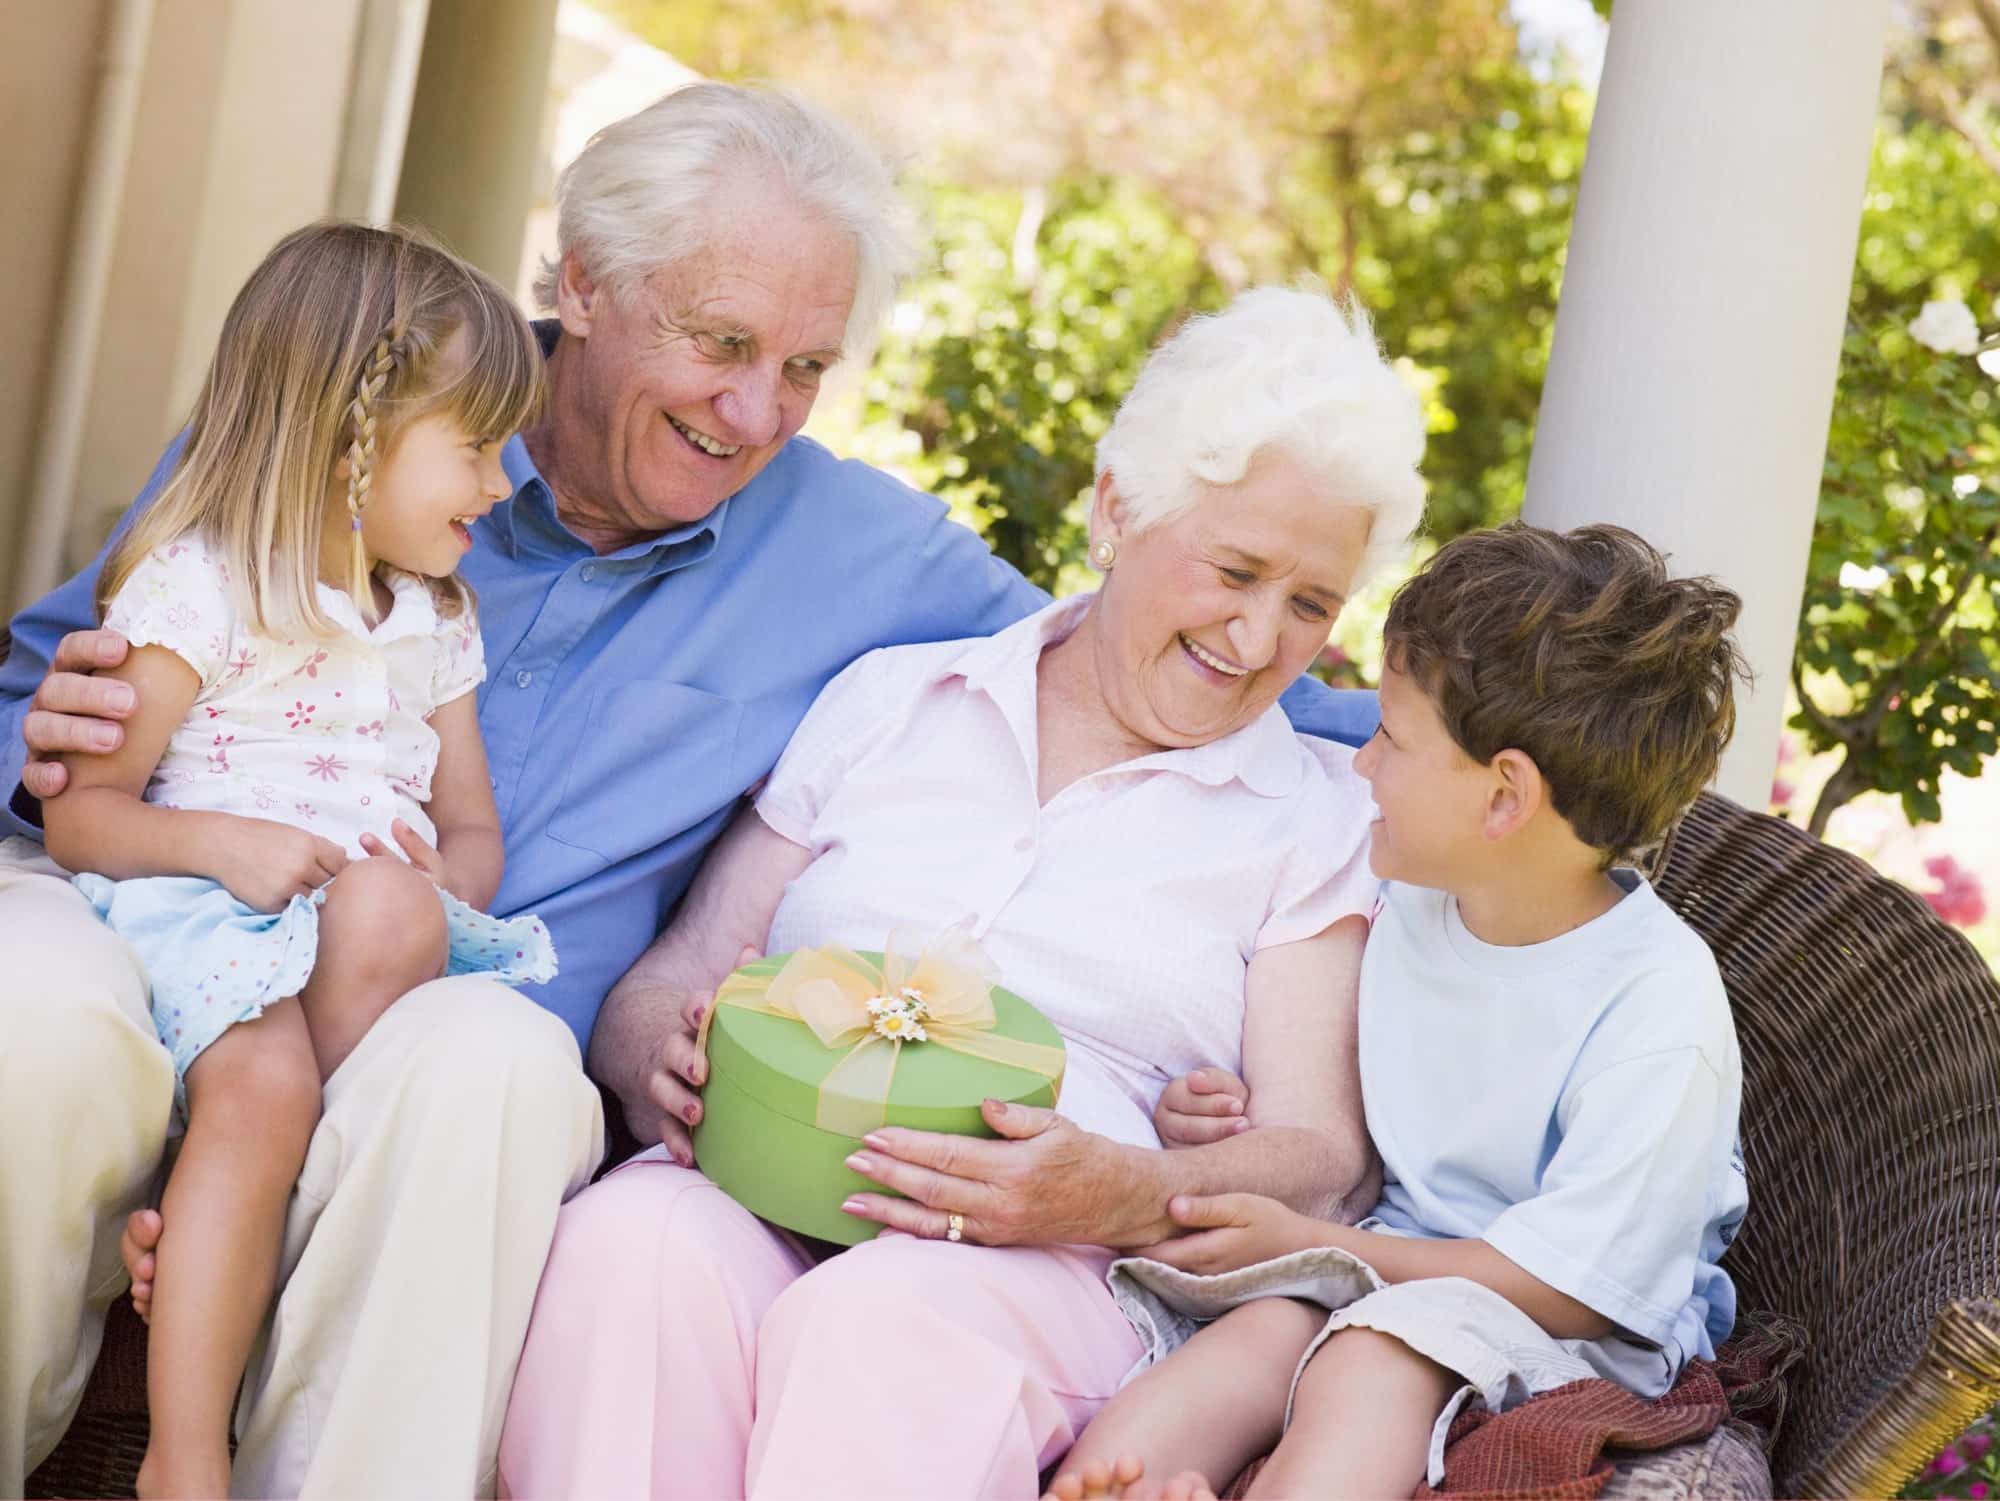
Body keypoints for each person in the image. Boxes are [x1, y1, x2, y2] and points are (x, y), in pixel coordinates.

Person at [0, 85, 1379, 1496]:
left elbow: (1175, 652)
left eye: (804, 368)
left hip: (444, 1006)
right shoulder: (342, 425)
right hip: (152, 894)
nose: (754, 410)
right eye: (722, 343)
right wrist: (63, 743)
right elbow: (39, 693)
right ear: (584, 283)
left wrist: (1477, 747)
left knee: (500, 1082)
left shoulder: (860, 556)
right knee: (25, 1009)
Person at [494, 285, 1425, 1501]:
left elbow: (1322, 1155)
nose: (1254, 639)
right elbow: (681, 966)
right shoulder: (893, 700)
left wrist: (1127, 1187)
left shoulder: (1314, 816)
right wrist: (648, 1052)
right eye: (1234, 570)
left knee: (885, 1320)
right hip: (765, 1178)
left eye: (1308, 604)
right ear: (1115, 510)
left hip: (1054, 1261)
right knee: (632, 1246)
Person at [1044, 522, 1753, 1501]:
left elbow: (1578, 1283)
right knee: (1245, 1342)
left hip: (1565, 1314)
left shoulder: (1655, 1009)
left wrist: (1326, 1246)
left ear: (1503, 798)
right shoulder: (1408, 897)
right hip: (1380, 1255)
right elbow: (1326, 1084)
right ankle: (1104, 1486)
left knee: (1371, 1355)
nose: (1360, 763)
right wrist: (1214, 1111)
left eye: (1390, 736)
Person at [35, 222, 557, 1499]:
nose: (501, 486)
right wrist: (226, 844)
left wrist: (435, 890)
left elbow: (475, 828)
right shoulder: (196, 590)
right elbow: (84, 817)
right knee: (260, 1087)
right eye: (475, 448)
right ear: (350, 438)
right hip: (205, 918)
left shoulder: (433, 621)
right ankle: (184, 1456)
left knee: (391, 927)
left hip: (360, 949)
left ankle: (213, 1226)